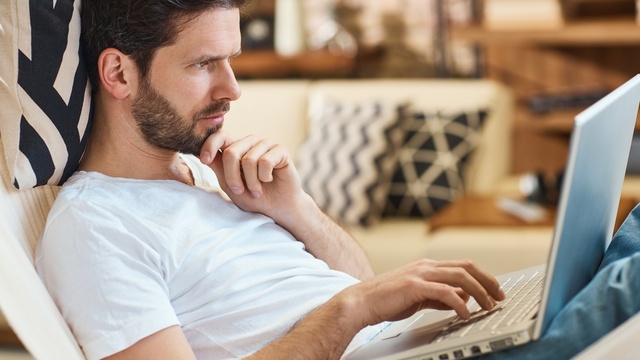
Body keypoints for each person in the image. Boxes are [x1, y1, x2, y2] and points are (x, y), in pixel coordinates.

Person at [34, 0, 640, 359]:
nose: (232, 89)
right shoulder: (94, 225)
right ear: (118, 72)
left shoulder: (205, 174)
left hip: (415, 341)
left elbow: (366, 282)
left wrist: (296, 209)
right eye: (202, 64)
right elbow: (361, 298)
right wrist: (349, 311)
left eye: (232, 60)